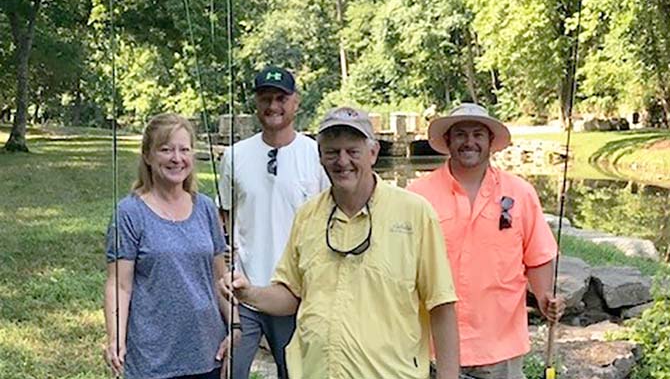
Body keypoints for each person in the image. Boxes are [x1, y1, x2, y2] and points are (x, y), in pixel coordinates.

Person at [221, 106, 461, 379]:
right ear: (320, 157)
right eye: (332, 152)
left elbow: (441, 304)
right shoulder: (307, 215)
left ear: (373, 153)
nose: (342, 161)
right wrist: (248, 293)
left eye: (352, 151)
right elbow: (291, 295)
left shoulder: (415, 213)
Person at [408, 103, 565, 379]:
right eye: (461, 134)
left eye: (478, 134)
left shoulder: (521, 193)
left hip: (500, 346)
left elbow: (538, 255)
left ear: (491, 141)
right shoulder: (417, 195)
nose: (469, 142)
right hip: (432, 347)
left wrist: (546, 299)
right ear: (448, 140)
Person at [103, 113, 239, 379]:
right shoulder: (129, 212)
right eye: (166, 150)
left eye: (184, 150)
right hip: (152, 359)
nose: (177, 158)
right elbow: (119, 285)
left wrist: (235, 327)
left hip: (208, 354)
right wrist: (115, 338)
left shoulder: (206, 208)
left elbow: (219, 278)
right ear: (147, 156)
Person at [219, 66, 330, 379]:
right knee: (229, 372)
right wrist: (225, 260)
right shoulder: (234, 155)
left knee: (295, 373)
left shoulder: (316, 154)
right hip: (243, 292)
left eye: (281, 98)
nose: (273, 106)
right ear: (256, 103)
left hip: (296, 294)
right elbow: (224, 214)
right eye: (265, 98)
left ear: (296, 102)